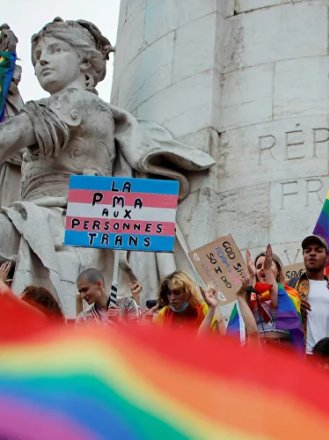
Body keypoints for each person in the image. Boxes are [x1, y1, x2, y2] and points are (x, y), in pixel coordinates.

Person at [0, 19, 213, 314]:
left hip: (58, 219)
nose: (42, 60)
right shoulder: (64, 108)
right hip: (48, 218)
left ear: (85, 61)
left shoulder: (75, 101)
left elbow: (8, 139)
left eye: (55, 49)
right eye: (37, 57)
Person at [288, 235, 329, 355]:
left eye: (318, 250)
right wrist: (293, 308)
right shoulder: (291, 286)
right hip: (299, 359)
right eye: (307, 251)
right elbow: (276, 318)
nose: (312, 254)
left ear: (327, 257)